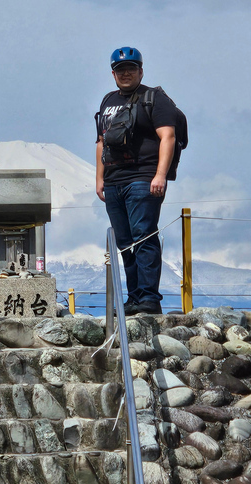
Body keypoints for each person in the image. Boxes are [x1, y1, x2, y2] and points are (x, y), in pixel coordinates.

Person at [95, 47, 176, 315]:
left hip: (143, 177)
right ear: (113, 73)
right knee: (125, 241)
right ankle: (133, 298)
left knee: (144, 236)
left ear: (141, 70)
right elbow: (101, 142)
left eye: (131, 68)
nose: (126, 73)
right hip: (113, 180)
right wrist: (100, 178)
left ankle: (149, 298)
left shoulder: (155, 98)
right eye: (120, 69)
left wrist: (160, 175)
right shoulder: (107, 101)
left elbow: (168, 136)